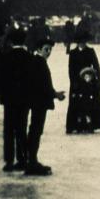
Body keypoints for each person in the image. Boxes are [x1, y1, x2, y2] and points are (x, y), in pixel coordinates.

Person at [22, 38, 64, 175]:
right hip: (38, 103)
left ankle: (31, 160)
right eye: (46, 49)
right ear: (39, 49)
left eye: (50, 49)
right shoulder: (38, 63)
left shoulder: (37, 62)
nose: (49, 52)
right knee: (36, 130)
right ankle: (31, 162)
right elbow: (43, 86)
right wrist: (56, 95)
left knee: (35, 130)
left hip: (37, 102)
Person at [0, 28, 32, 173]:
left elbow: (3, 80)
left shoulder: (6, 57)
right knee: (21, 128)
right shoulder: (28, 57)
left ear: (12, 41)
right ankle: (22, 158)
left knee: (9, 130)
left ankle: (8, 160)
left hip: (10, 100)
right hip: (24, 100)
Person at [66, 29, 100, 134]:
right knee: (77, 103)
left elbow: (96, 66)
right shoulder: (73, 53)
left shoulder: (90, 51)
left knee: (90, 103)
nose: (82, 43)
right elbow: (71, 70)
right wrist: (74, 82)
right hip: (77, 82)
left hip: (89, 81)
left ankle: (91, 124)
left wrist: (97, 79)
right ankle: (76, 125)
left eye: (84, 41)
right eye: (80, 41)